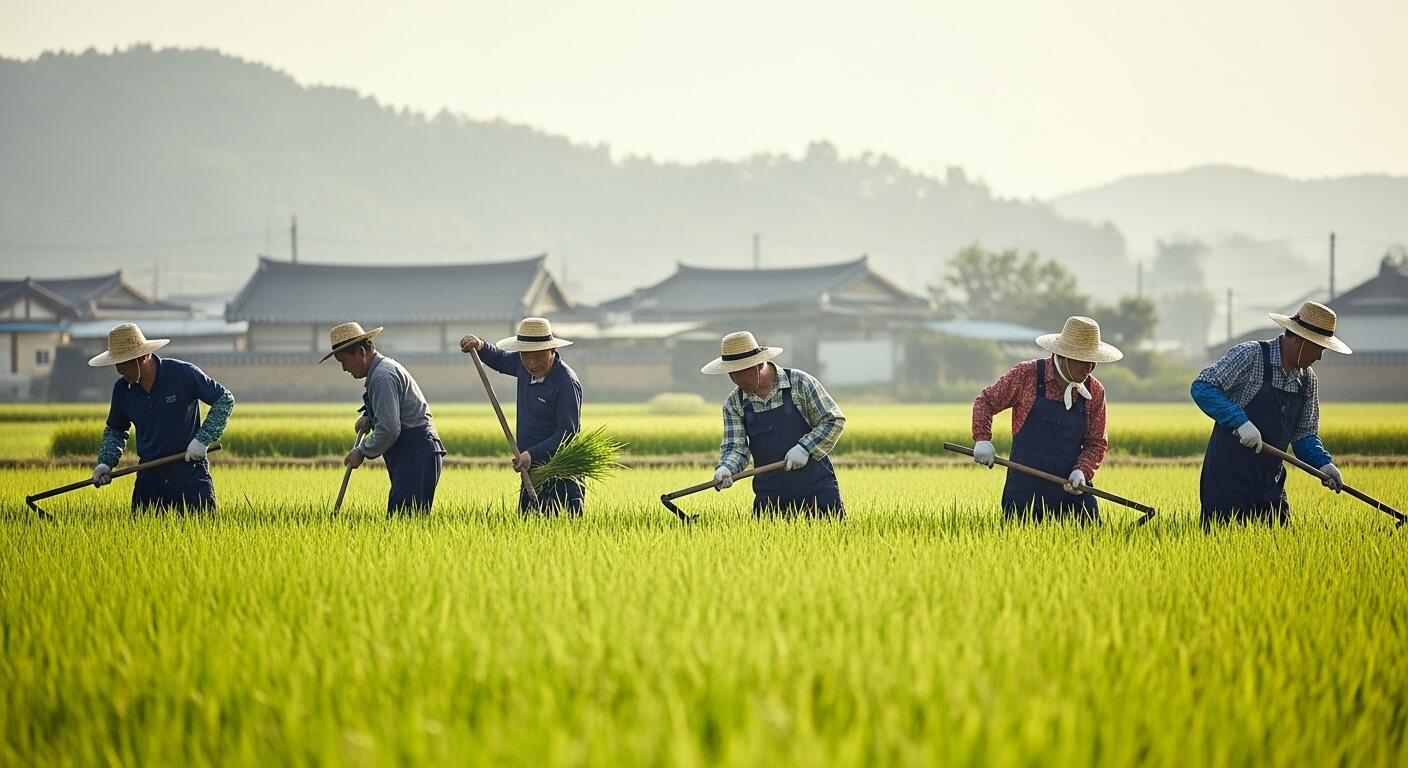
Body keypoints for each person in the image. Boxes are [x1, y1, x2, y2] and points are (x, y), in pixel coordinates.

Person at [1191, 300, 1352, 528]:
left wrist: (1323, 464)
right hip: (1228, 478)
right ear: (1302, 341)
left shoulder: (1307, 380)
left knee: (1277, 548)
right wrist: (1240, 422)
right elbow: (1203, 386)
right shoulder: (1250, 355)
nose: (1319, 357)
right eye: (1319, 349)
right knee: (1223, 546)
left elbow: (1304, 435)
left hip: (1271, 482)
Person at [971, 316, 1122, 523]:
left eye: (1094, 360)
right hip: (1025, 492)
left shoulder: (1094, 391)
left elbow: (1096, 442)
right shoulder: (1027, 376)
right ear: (1065, 355)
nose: (1091, 367)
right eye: (1084, 359)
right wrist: (982, 439)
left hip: (1071, 491)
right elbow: (986, 401)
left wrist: (1081, 471)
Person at [88, 322, 234, 513]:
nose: (119, 370)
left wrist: (202, 439)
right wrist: (105, 462)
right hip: (149, 478)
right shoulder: (123, 389)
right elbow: (116, 430)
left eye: (122, 362)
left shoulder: (183, 374)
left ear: (142, 357)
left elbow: (224, 400)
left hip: (189, 473)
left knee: (202, 535)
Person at [701, 331, 846, 519]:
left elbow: (833, 420)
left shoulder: (799, 384)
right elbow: (736, 448)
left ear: (759, 364)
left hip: (816, 488)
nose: (736, 379)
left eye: (740, 371)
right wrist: (726, 468)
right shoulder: (734, 403)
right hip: (770, 493)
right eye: (731, 373)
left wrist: (805, 448)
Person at [459, 317, 584, 516]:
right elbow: (500, 359)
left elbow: (568, 434)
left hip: (561, 475)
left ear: (552, 351)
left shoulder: (565, 383)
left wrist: (531, 454)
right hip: (531, 472)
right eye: (526, 356)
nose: (532, 364)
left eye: (538, 356)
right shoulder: (523, 365)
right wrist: (480, 345)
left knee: (561, 534)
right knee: (528, 533)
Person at [321, 322, 446, 516]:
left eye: (343, 360)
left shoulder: (381, 376)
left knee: (403, 521)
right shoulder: (382, 370)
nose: (344, 368)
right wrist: (369, 417)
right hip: (414, 454)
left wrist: (361, 451)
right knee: (404, 523)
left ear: (361, 352)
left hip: (415, 453)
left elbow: (389, 429)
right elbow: (391, 407)